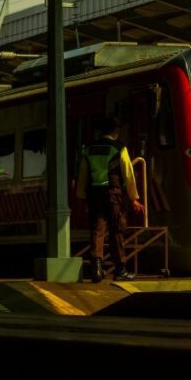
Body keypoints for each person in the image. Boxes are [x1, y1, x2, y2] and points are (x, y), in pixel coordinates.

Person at [76, 115, 144, 282]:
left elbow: (83, 174)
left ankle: (96, 269)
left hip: (94, 195)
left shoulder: (89, 148)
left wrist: (82, 196)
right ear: (116, 131)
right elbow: (128, 175)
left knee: (97, 230)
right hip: (113, 194)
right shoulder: (119, 148)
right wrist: (133, 198)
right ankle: (120, 270)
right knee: (116, 230)